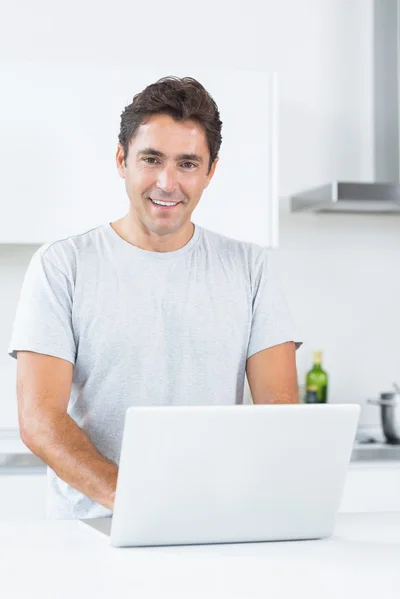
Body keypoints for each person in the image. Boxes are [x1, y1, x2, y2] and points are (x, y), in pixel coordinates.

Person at [8, 76, 302, 520]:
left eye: (187, 163)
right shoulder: (62, 265)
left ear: (210, 171)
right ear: (122, 160)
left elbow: (279, 413)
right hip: (95, 527)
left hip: (212, 519)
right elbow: (39, 420)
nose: (167, 182)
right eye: (151, 159)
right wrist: (133, 501)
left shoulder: (250, 269)